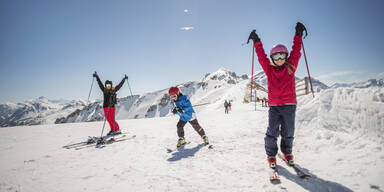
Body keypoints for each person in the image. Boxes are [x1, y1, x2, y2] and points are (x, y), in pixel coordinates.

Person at [248, 22, 307, 169]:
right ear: (272, 58)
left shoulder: (291, 67)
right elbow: (261, 56)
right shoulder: (269, 69)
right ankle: (271, 155)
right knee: (272, 132)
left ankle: (287, 152)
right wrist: (257, 41)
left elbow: (296, 51)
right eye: (276, 56)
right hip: (274, 107)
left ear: (286, 56)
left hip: (289, 106)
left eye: (282, 55)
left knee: (288, 131)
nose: (280, 58)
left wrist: (298, 35)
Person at [93, 72, 128, 136]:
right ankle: (112, 129)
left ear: (111, 85)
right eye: (106, 85)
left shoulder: (114, 90)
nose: (108, 87)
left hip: (111, 107)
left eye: (109, 85)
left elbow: (120, 85)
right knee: (108, 120)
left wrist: (124, 79)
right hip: (105, 107)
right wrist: (96, 76)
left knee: (112, 119)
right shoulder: (104, 90)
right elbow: (100, 83)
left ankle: (117, 129)